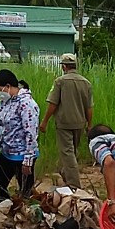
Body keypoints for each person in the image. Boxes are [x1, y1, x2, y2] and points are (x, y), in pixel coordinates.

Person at [39, 53, 93, 189]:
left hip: (64, 123)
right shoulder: (86, 83)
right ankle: (65, 174)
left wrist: (44, 121)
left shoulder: (60, 82)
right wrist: (89, 124)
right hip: (80, 122)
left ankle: (74, 185)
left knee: (67, 153)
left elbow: (53, 103)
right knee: (72, 151)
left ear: (64, 66)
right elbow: (89, 107)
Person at [0, 69, 40, 200]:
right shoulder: (5, 101)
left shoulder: (27, 104)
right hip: (6, 152)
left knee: (25, 191)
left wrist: (28, 160)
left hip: (22, 155)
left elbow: (31, 133)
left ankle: (29, 216)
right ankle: (8, 210)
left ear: (8, 86)